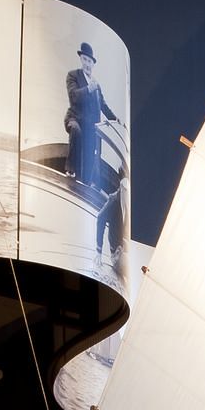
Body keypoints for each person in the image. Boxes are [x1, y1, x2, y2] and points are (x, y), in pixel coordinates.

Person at [63, 41, 124, 267]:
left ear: (93, 63)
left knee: (92, 149)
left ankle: (86, 181)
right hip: (75, 119)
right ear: (81, 60)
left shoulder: (97, 84)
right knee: (76, 131)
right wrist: (88, 88)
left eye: (90, 61)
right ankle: (70, 169)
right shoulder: (73, 76)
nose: (87, 64)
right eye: (85, 60)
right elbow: (73, 97)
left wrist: (115, 118)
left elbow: (103, 106)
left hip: (91, 126)